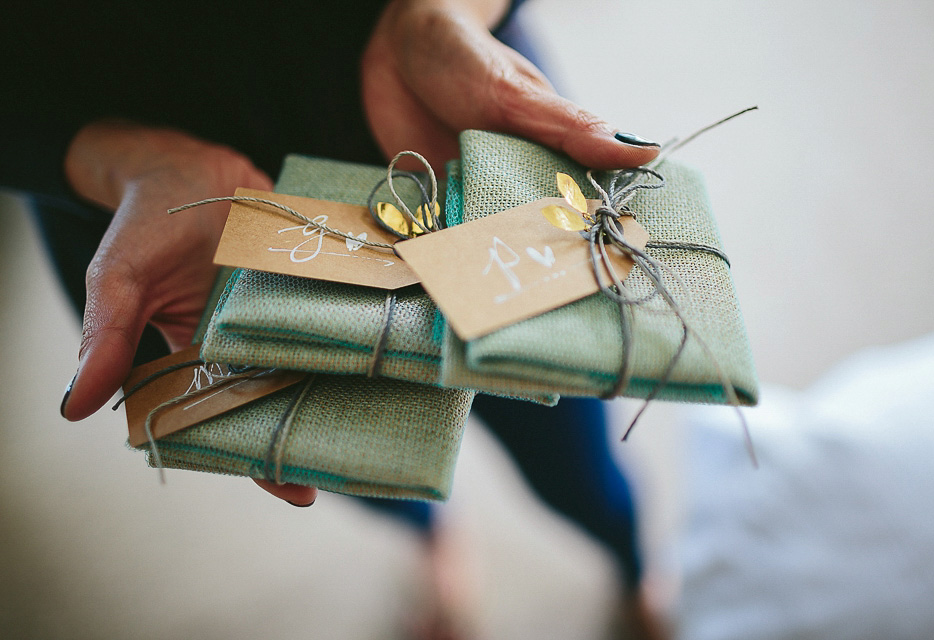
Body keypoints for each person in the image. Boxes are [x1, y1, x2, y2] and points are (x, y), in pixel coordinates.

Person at [2, 1, 666, 637]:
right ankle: (433, 540)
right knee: (362, 466)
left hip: (440, 121)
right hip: (179, 227)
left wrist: (445, 11)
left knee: (569, 453)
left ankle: (633, 566)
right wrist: (111, 156)